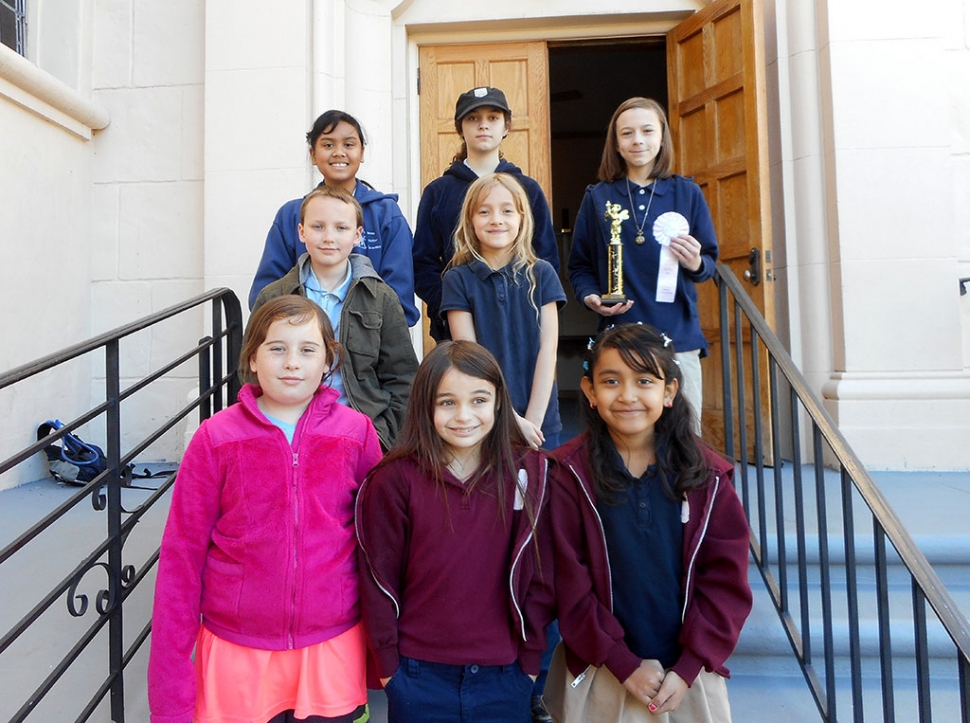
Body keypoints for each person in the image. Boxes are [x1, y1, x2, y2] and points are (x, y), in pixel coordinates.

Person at [148, 295, 382, 723]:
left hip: (331, 651)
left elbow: (382, 545)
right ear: (253, 358)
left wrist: (385, 653)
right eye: (277, 348)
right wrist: (170, 699)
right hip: (238, 655)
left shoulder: (356, 433)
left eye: (307, 349)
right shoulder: (215, 438)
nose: (292, 361)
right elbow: (181, 560)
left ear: (328, 361)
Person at [546, 323, 751, 723]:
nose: (627, 395)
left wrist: (691, 665)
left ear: (670, 391)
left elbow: (726, 582)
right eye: (611, 380)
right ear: (589, 391)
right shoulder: (569, 475)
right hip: (601, 669)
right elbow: (567, 582)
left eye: (644, 380)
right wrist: (622, 662)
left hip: (687, 679)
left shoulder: (707, 478)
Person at [356, 340, 555, 723]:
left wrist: (529, 662)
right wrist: (389, 667)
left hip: (505, 673)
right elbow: (378, 579)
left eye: (479, 400)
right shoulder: (394, 480)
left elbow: (543, 578)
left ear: (499, 402)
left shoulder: (530, 473)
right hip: (417, 675)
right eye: (447, 402)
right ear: (425, 406)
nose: (464, 415)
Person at [568, 97, 718, 419]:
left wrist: (695, 263)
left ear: (662, 137)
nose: (638, 140)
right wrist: (590, 296)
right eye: (627, 133)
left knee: (683, 434)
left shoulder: (687, 193)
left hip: (678, 334)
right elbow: (579, 266)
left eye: (647, 131)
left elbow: (708, 263)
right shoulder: (598, 197)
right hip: (617, 333)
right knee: (624, 429)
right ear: (616, 144)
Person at [252, 185, 418, 450]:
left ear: (357, 235)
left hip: (358, 435)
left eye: (341, 228)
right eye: (318, 227)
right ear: (301, 231)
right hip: (288, 434)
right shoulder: (274, 296)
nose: (329, 237)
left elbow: (403, 377)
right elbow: (250, 371)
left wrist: (383, 436)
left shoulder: (381, 298)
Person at [413, 86, 559, 341]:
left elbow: (545, 256)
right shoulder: (438, 192)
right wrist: (450, 304)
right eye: (473, 118)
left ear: (506, 127)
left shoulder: (528, 189)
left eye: (493, 118)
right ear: (461, 129)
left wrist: (524, 303)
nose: (483, 125)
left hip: (519, 323)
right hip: (454, 328)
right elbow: (422, 263)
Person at [249, 109, 420, 326]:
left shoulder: (386, 214)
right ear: (313, 154)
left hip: (371, 344)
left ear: (362, 152)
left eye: (349, 145)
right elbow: (265, 294)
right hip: (301, 340)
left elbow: (400, 296)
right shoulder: (291, 215)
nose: (339, 152)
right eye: (328, 145)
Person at [442, 172, 566, 450]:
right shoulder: (457, 279)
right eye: (484, 211)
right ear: (471, 221)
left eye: (507, 211)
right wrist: (509, 419)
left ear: (522, 218)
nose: (496, 219)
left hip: (541, 419)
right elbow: (469, 357)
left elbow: (548, 351)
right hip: (484, 417)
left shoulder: (542, 274)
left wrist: (531, 420)